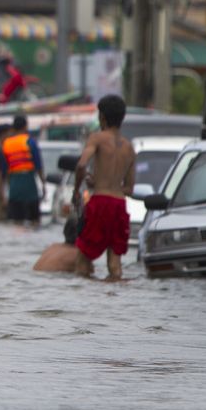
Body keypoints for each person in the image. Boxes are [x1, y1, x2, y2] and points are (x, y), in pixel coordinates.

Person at [72, 95, 135, 280]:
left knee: (82, 261)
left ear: (102, 118)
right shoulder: (129, 148)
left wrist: (77, 189)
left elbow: (82, 165)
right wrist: (108, 183)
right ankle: (114, 305)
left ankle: (89, 305)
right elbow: (129, 188)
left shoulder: (97, 138)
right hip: (119, 205)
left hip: (100, 203)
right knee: (115, 265)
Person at [3, 114, 46, 227]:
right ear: (26, 126)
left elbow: (6, 169)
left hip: (14, 186)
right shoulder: (30, 142)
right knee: (34, 221)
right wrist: (43, 185)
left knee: (16, 223)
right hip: (29, 185)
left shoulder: (6, 144)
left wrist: (8, 188)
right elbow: (39, 166)